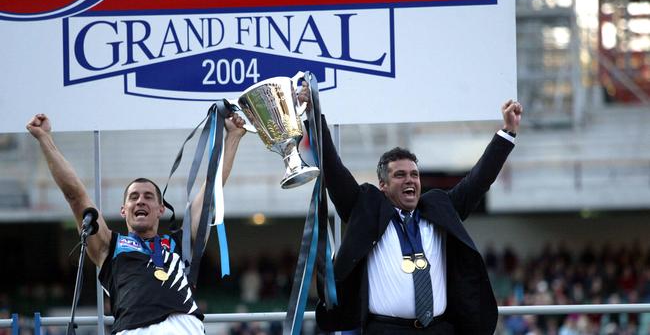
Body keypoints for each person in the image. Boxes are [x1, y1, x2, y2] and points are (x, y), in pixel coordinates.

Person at [299, 91, 522, 334]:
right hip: (385, 330)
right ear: (382, 184)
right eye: (400, 175)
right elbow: (334, 171)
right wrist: (313, 115)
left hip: (440, 329)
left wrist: (507, 133)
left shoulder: (440, 208)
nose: (410, 180)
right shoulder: (365, 209)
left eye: (414, 174)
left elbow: (478, 180)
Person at [26, 113, 247, 334]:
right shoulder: (108, 245)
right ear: (124, 211)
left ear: (161, 210)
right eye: (133, 197)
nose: (140, 200)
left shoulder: (181, 243)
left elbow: (211, 190)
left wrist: (233, 136)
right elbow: (75, 195)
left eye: (149, 196)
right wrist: (44, 138)